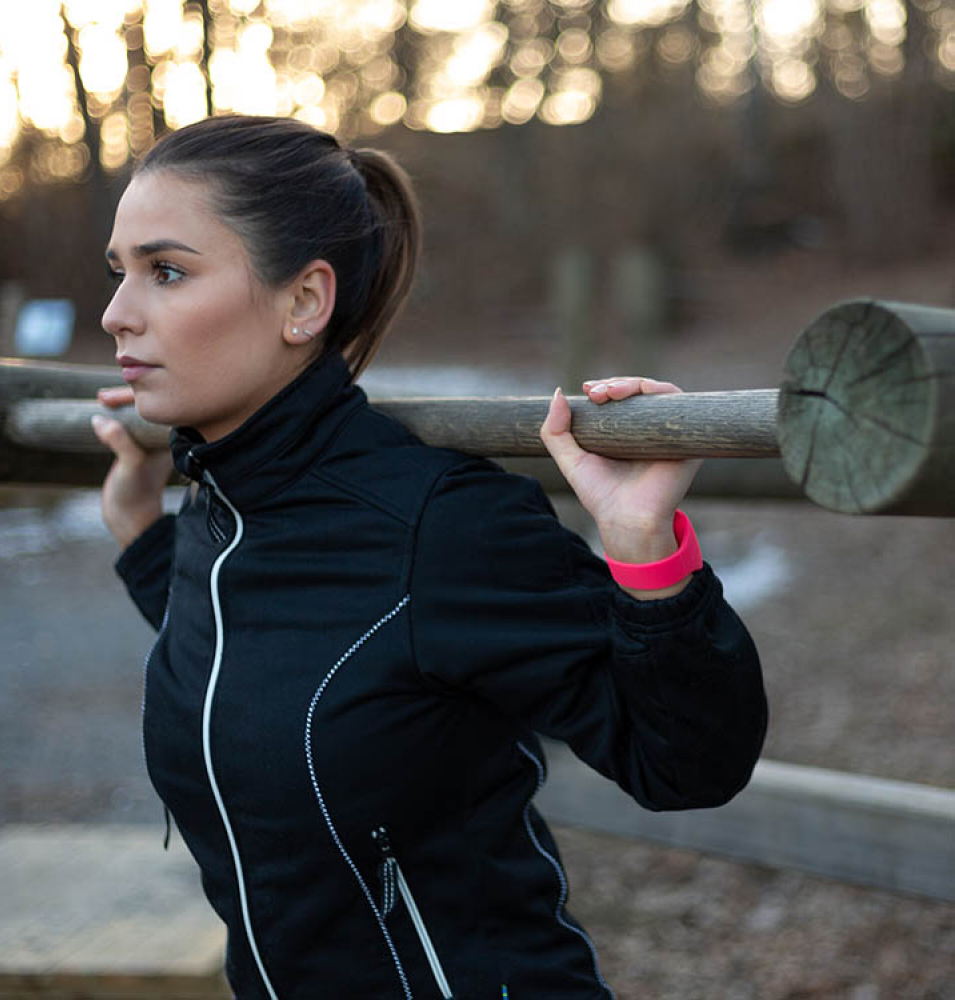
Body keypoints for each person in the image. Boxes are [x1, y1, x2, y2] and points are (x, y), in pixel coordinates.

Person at [92, 115, 766, 1000]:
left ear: (303, 302)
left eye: (166, 272)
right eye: (120, 272)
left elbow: (686, 765)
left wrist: (645, 553)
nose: (115, 314)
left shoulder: (438, 528)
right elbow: (263, 658)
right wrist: (145, 538)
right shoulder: (223, 501)